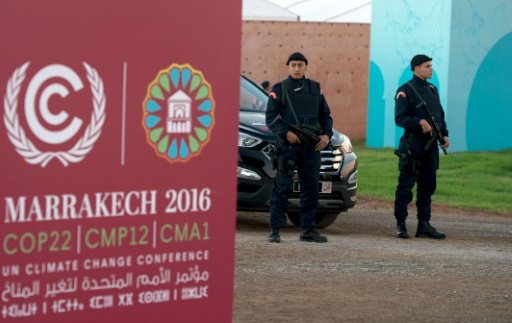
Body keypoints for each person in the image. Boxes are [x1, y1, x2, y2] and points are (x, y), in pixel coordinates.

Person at [265, 52, 333, 243]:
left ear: (305, 67)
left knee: (310, 188)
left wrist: (327, 135)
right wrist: (286, 134)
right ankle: (275, 230)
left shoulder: (315, 89)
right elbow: (271, 118)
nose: (296, 68)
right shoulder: (279, 89)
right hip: (288, 146)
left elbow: (325, 116)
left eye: (300, 65)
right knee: (282, 187)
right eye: (293, 65)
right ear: (288, 67)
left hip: (311, 147)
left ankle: (308, 230)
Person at [393, 54, 450, 239]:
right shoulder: (405, 90)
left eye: (431, 65)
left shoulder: (433, 90)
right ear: (416, 68)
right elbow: (400, 119)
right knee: (405, 186)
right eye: (427, 66)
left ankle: (424, 225)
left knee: (427, 186)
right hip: (413, 146)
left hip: (431, 147)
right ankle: (401, 224)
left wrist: (444, 135)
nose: (431, 69)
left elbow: (439, 116)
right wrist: (419, 122)